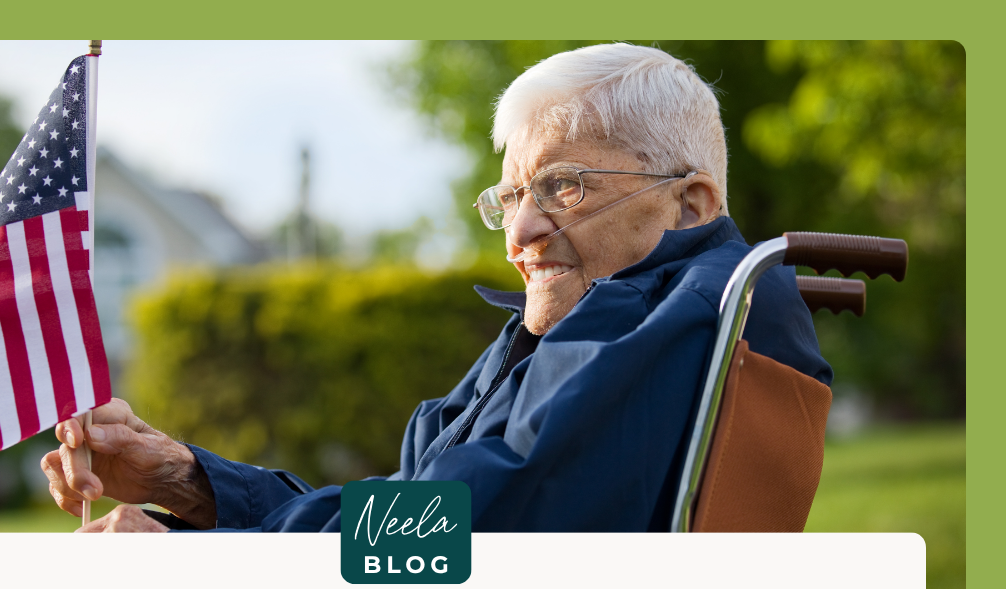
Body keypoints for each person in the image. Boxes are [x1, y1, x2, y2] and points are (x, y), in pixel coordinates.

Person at [42, 43, 831, 533]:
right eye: (511, 198)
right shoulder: (606, 317)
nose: (520, 234)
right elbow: (412, 507)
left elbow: (457, 530)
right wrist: (186, 480)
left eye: (562, 186)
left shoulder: (680, 313)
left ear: (690, 203)